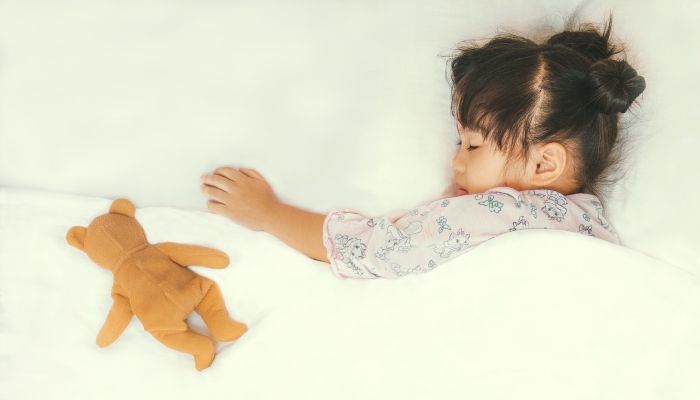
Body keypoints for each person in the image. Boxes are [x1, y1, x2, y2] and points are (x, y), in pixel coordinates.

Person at [198, 15, 645, 279]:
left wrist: (268, 213)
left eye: (473, 144)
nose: (455, 160)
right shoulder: (594, 228)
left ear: (544, 163)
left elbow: (375, 249)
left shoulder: (498, 211)